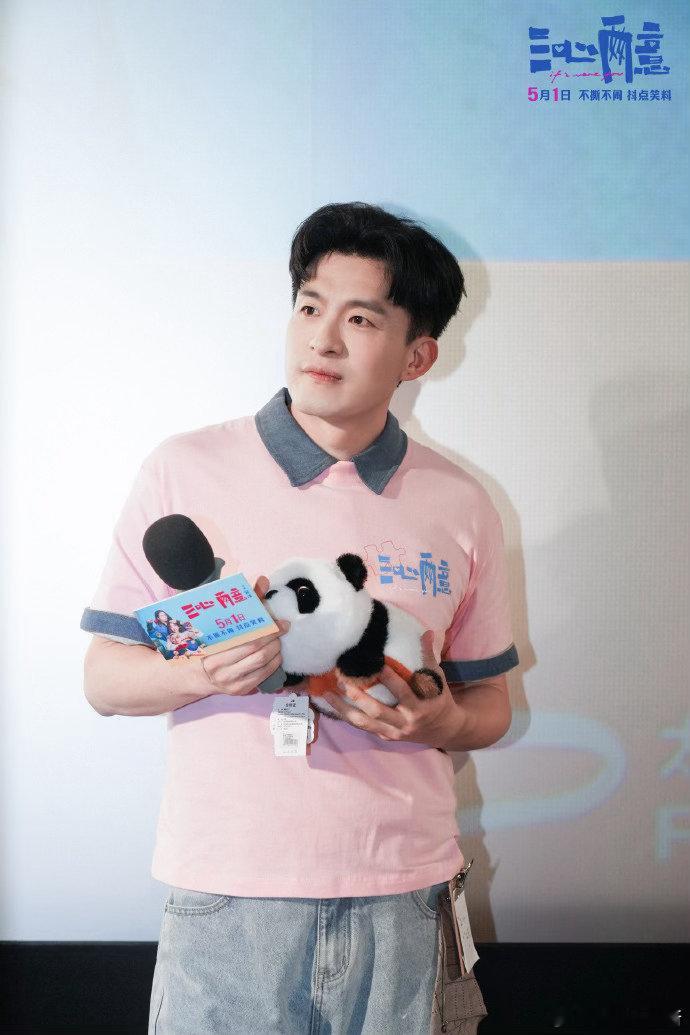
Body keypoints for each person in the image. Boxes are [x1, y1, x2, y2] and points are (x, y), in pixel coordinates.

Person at [80, 201, 519, 1034]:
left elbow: (491, 705)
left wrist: (442, 720)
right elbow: (104, 678)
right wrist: (202, 671)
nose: (322, 338)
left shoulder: (460, 502)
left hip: (405, 892)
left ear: (418, 355)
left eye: (360, 319)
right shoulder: (184, 470)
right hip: (229, 894)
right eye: (310, 306)